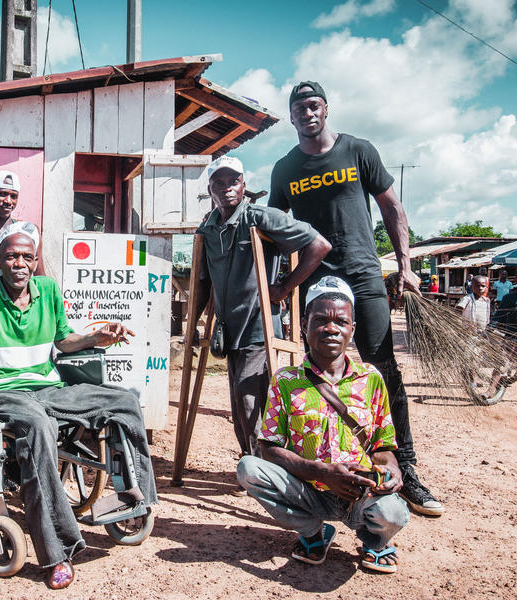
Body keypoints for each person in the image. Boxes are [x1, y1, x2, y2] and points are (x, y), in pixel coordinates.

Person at [269, 81, 444, 516]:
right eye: (299, 108)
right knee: (318, 372)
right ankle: (317, 472)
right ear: (291, 117)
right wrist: (277, 284)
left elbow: (392, 208)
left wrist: (405, 266)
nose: (308, 113)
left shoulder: (358, 151)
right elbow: (274, 230)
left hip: (363, 273)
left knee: (383, 366)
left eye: (314, 105)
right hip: (317, 281)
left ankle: (404, 470)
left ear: (325, 110)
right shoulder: (284, 169)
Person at [0, 225, 157, 589]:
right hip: (3, 392)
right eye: (12, 256)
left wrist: (97, 336)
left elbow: (64, 340)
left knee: (124, 401)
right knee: (38, 427)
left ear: (35, 262)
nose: (20, 263)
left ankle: (133, 494)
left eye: (27, 257)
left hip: (49, 388)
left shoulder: (47, 291)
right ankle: (57, 552)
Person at [238, 276, 409, 574]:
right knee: (248, 469)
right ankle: (313, 534)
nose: (331, 328)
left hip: (360, 495)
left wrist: (392, 469)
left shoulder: (370, 380)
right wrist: (321, 472)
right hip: (308, 492)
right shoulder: (287, 381)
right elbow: (268, 448)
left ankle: (374, 542)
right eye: (320, 320)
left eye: (341, 322)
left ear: (352, 330)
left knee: (394, 512)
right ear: (304, 325)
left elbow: (382, 445)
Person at [194, 156, 331, 485]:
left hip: (260, 326)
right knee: (239, 405)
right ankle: (254, 464)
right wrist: (193, 322)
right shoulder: (209, 227)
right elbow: (202, 280)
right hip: (229, 330)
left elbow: (318, 244)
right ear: (210, 189)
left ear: (243, 185)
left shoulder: (259, 217)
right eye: (219, 182)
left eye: (233, 181)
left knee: (250, 397)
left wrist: (284, 287)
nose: (227, 187)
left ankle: (264, 470)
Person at [0, 170, 45, 275]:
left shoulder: (29, 231)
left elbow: (40, 276)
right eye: (2, 194)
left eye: (13, 196)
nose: (8, 201)